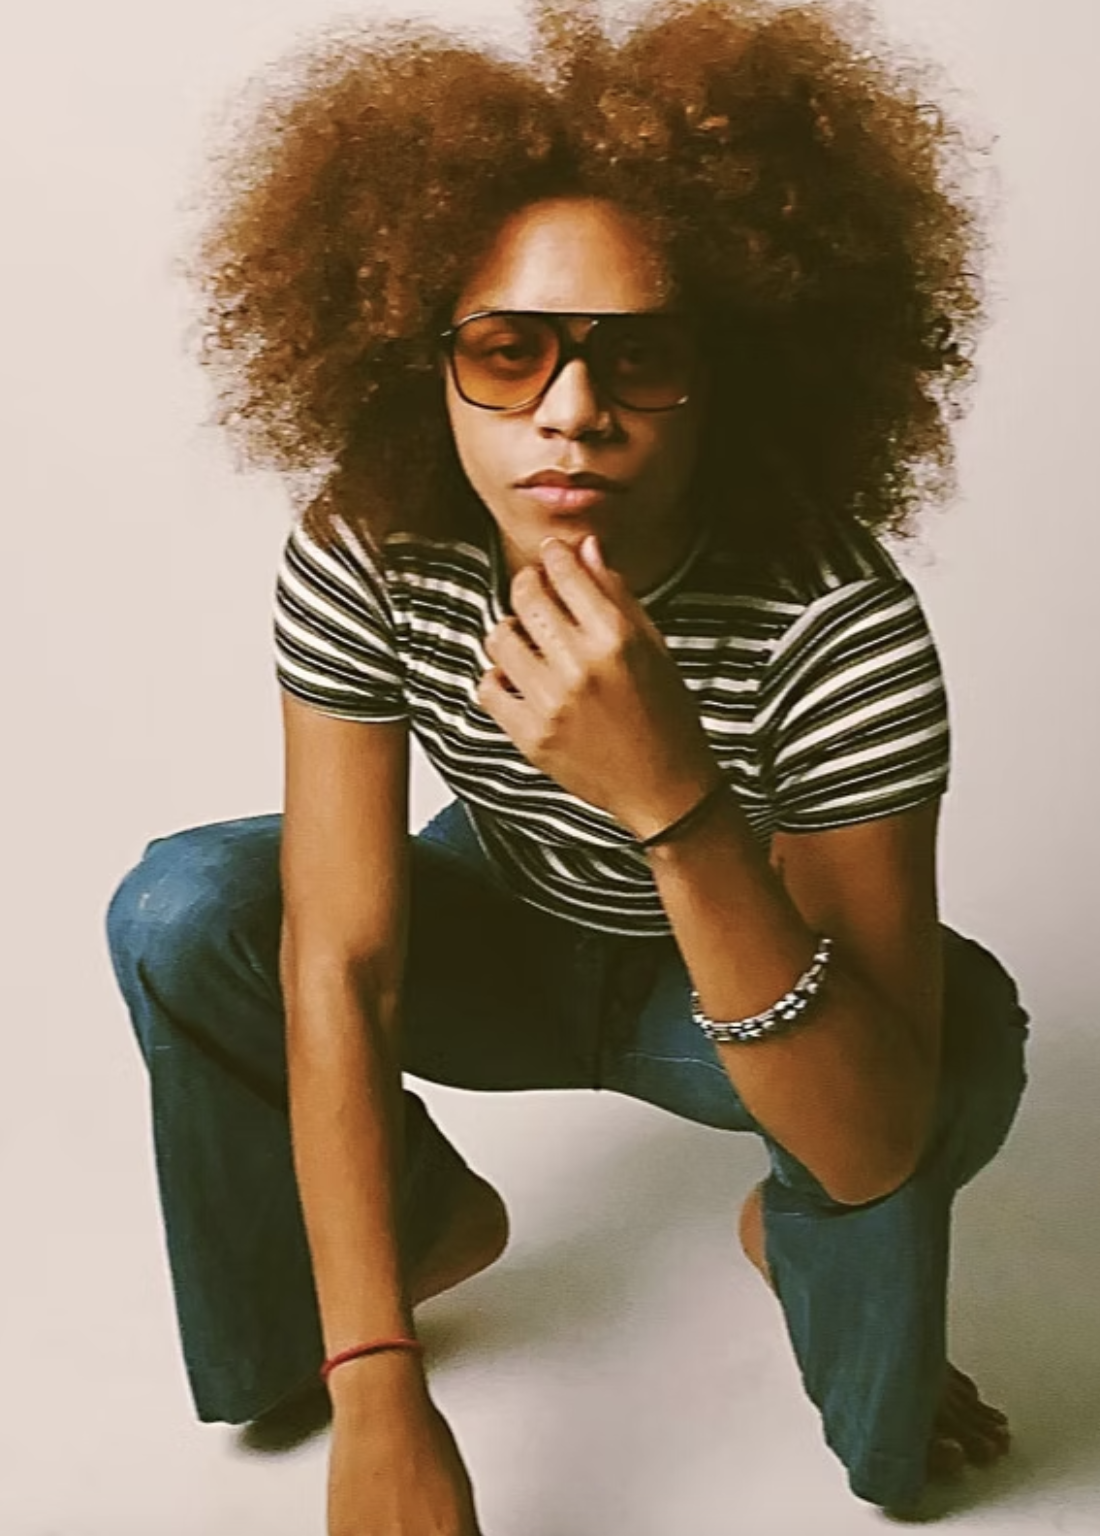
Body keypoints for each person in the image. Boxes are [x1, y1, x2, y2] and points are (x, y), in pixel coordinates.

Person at [104, 0, 1031, 1529]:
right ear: (426, 362)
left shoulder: (837, 622)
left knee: (947, 1057)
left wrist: (671, 797)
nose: (573, 411)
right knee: (184, 906)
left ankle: (795, 1233)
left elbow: (873, 1130)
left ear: (731, 369)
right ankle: (407, 1230)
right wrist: (376, 1383)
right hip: (501, 930)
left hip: (727, 973)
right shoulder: (373, 548)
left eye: (637, 355)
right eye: (508, 351)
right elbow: (341, 963)